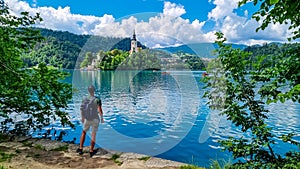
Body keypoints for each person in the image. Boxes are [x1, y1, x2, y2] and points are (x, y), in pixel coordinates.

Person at [77, 85, 104, 157]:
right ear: (94, 90)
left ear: (88, 91)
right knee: (93, 134)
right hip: (95, 118)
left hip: (87, 119)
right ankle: (91, 150)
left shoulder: (84, 98)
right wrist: (102, 118)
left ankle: (80, 148)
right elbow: (100, 110)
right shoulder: (97, 99)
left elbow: (82, 108)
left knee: (83, 132)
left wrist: (82, 117)